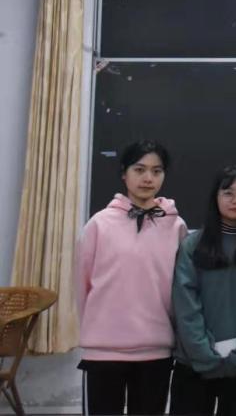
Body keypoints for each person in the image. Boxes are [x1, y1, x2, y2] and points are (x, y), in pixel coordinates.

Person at [75, 139, 188, 415]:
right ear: (124, 174)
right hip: (103, 351)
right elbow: (82, 286)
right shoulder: (99, 224)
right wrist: (94, 331)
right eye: (139, 170)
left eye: (156, 171)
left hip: (156, 350)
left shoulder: (176, 226)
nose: (148, 178)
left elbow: (181, 289)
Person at [169, 166, 236, 416]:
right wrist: (203, 352)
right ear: (215, 198)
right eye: (228, 193)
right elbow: (185, 303)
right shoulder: (192, 246)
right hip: (194, 364)